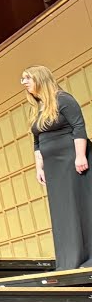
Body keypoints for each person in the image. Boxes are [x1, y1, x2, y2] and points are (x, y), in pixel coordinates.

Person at [24, 65, 92, 269]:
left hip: (71, 160)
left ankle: (87, 258)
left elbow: (79, 127)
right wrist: (39, 167)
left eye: (27, 78)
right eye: (23, 79)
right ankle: (69, 260)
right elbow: (37, 142)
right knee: (62, 211)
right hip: (53, 167)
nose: (24, 82)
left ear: (40, 79)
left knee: (78, 207)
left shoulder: (63, 99)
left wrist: (80, 156)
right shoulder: (38, 107)